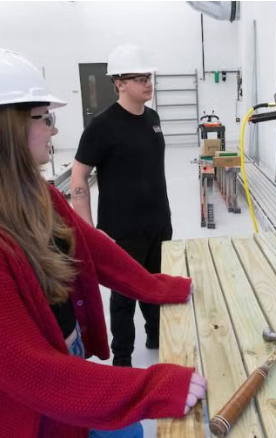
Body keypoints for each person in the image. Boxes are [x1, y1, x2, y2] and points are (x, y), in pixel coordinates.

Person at [0, 47, 206, 438]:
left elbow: (94, 251)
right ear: (5, 131)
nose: (54, 130)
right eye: (44, 118)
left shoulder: (35, 196)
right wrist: (153, 387)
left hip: (63, 399)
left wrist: (162, 287)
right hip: (18, 420)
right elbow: (30, 372)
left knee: (131, 431)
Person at [71, 44, 171, 367]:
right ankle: (123, 358)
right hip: (122, 231)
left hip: (158, 224)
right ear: (119, 83)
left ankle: (156, 335)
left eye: (149, 76)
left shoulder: (153, 118)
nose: (147, 82)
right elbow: (78, 178)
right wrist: (90, 232)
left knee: (156, 285)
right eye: (140, 77)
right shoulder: (101, 127)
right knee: (124, 297)